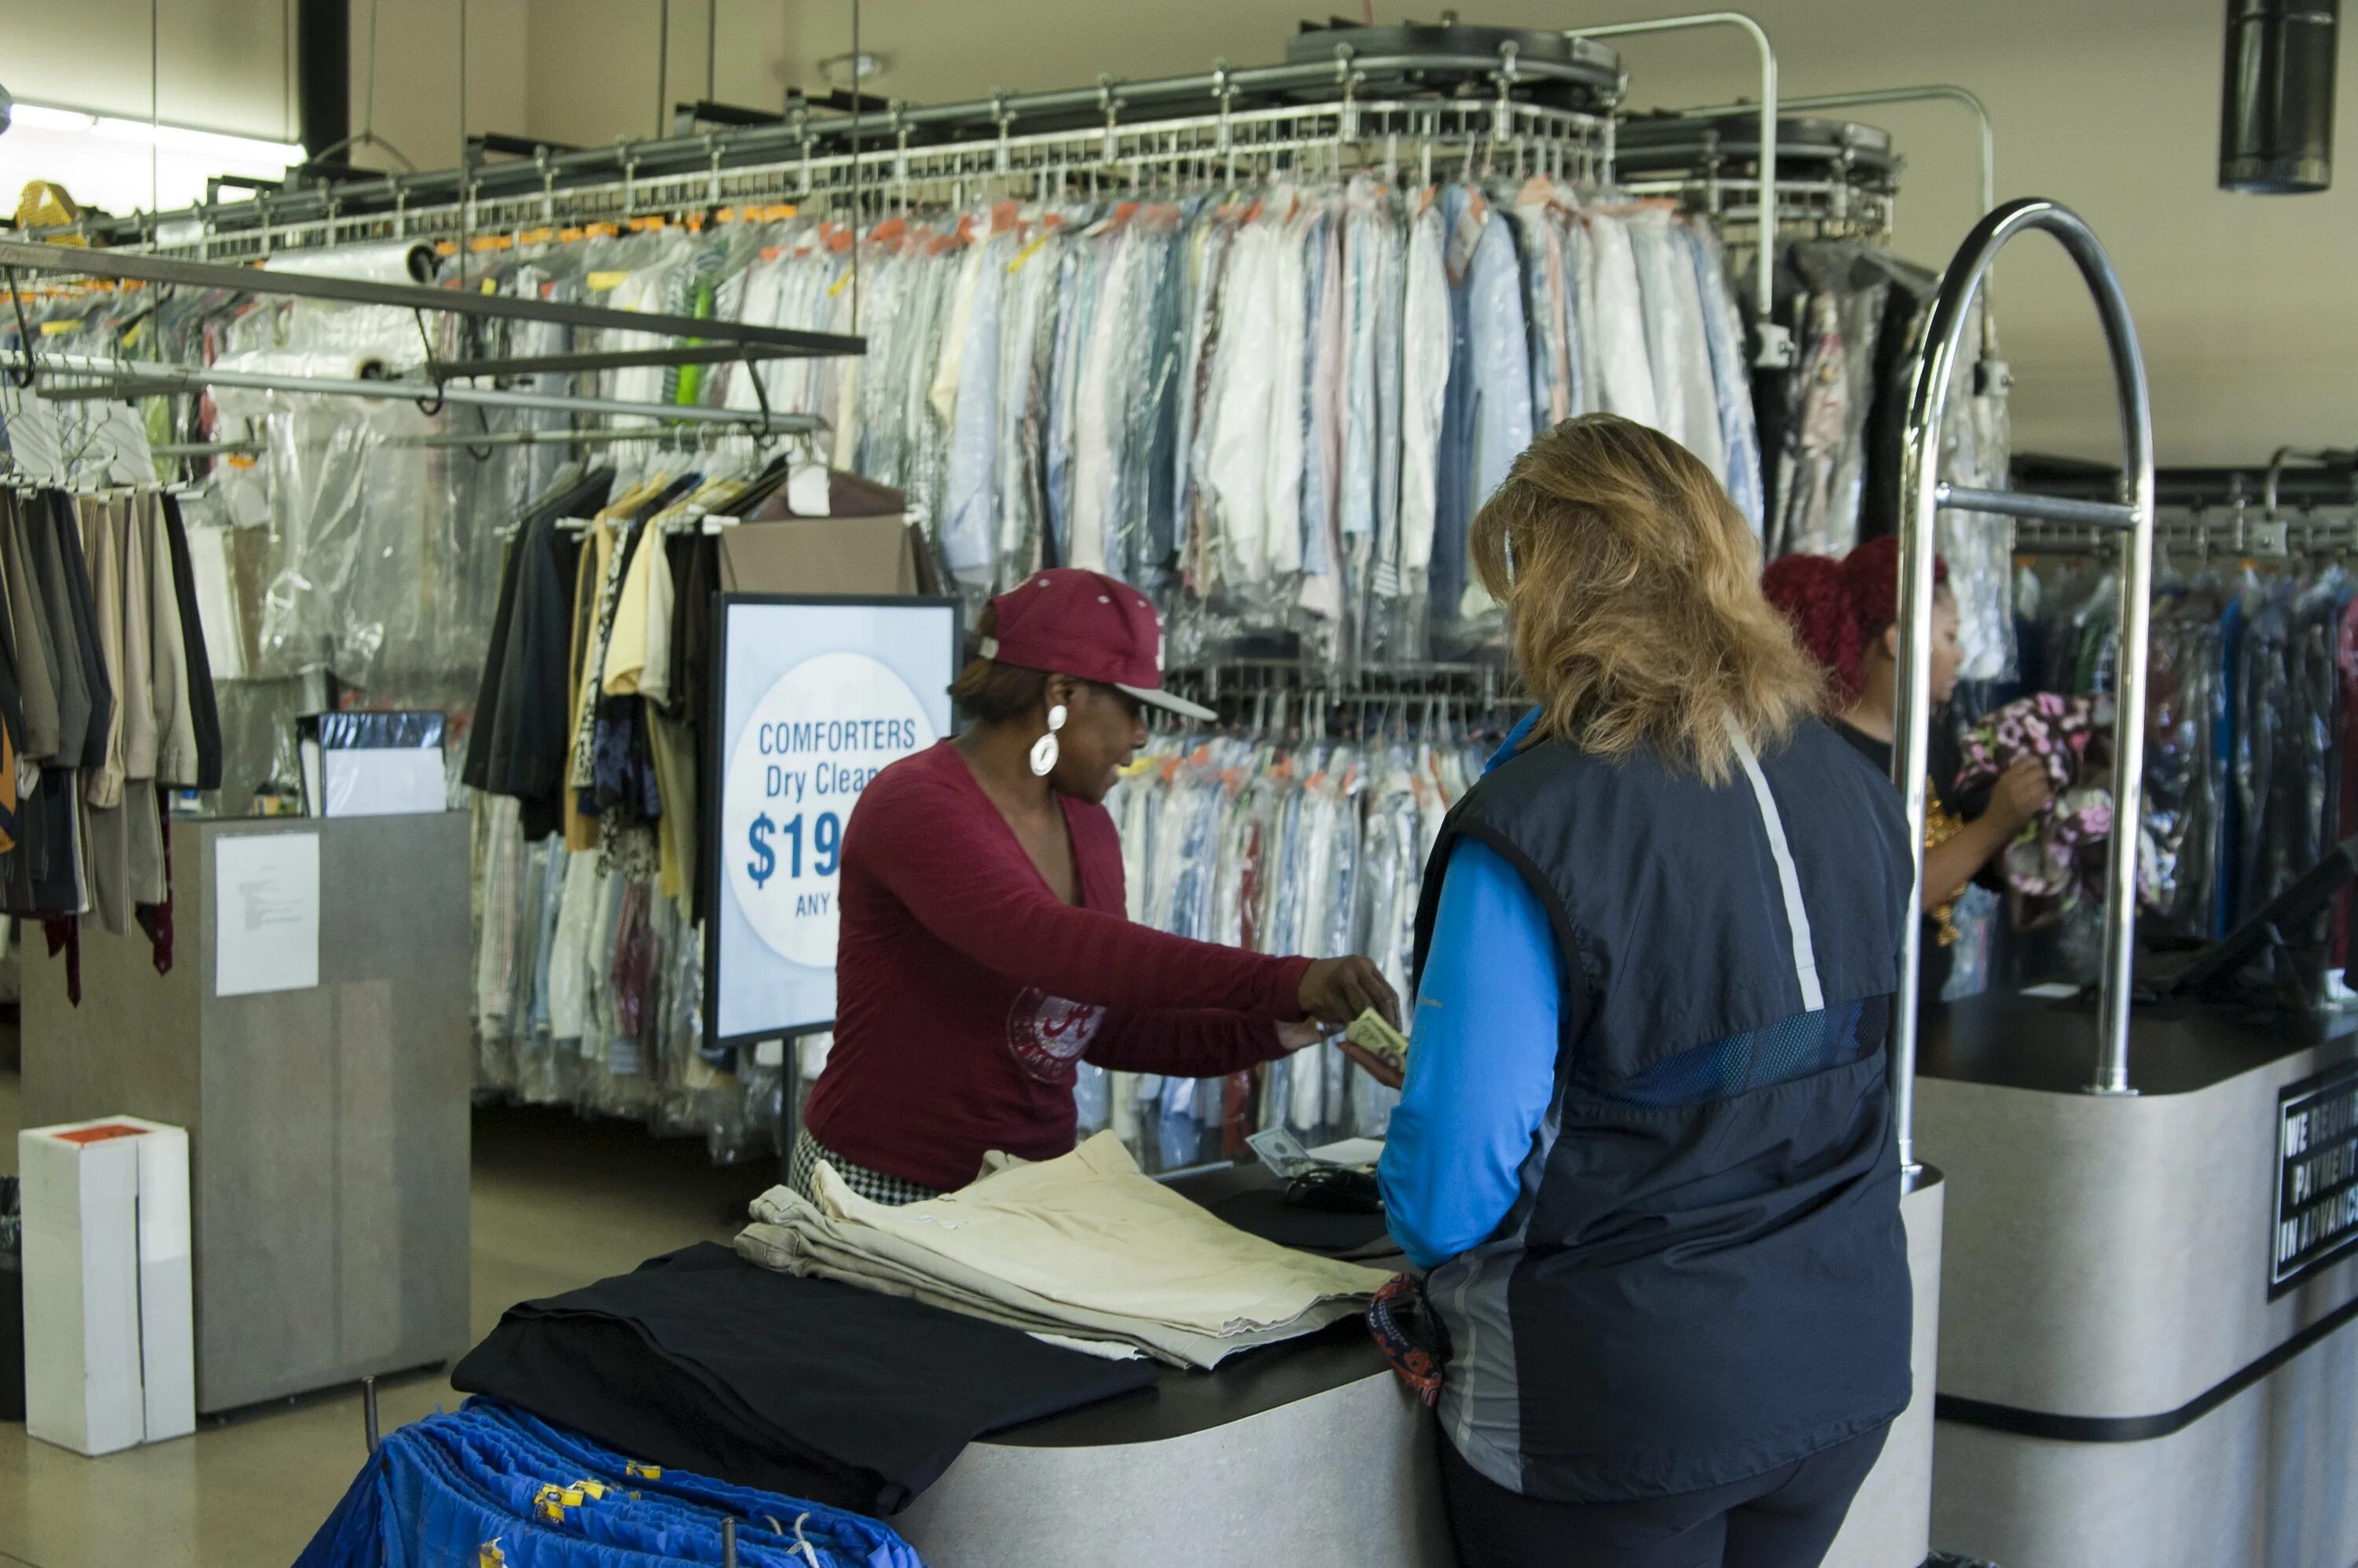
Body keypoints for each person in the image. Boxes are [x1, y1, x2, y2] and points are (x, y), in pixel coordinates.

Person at [1377, 416, 1914, 1568]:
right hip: (1840, 1351)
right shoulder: (1853, 784)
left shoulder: (1536, 819)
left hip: (1622, 1400)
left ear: (1554, 587)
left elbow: (1450, 1182)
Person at [795, 567, 1399, 1204]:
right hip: (883, 1187)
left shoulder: (1088, 822)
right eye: (1134, 708)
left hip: (1026, 1193)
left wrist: (1274, 1024)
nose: (1143, 735)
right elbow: (1047, 943)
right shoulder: (914, 804)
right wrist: (1282, 976)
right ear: (1061, 693)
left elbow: (1108, 1026)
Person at [1762, 538, 2051, 997]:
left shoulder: (1934, 742)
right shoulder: (1831, 759)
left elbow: (1979, 862)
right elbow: (1882, 901)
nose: (1959, 655)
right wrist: (1997, 824)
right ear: (1898, 640)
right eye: (1950, 636)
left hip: (1927, 1009)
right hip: (1866, 1028)